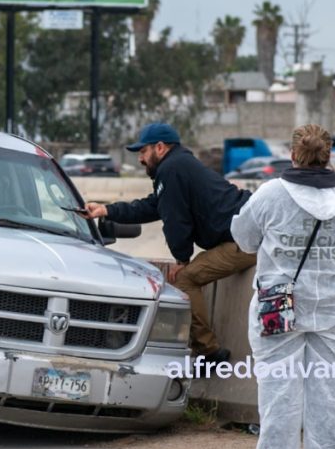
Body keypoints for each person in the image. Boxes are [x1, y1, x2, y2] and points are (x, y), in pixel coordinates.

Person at [231, 124, 335, 449]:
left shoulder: (271, 195)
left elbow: (245, 240)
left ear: (293, 155)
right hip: (334, 305)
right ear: (329, 156)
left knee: (279, 388)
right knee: (328, 389)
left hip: (280, 303)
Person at [82, 122, 255, 363]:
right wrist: (106, 210)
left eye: (143, 152)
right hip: (242, 234)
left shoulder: (171, 169)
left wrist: (181, 259)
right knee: (188, 275)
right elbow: (155, 206)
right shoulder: (177, 166)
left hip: (245, 239)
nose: (140, 159)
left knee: (184, 279)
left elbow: (176, 220)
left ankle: (209, 352)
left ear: (160, 147)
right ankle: (205, 350)